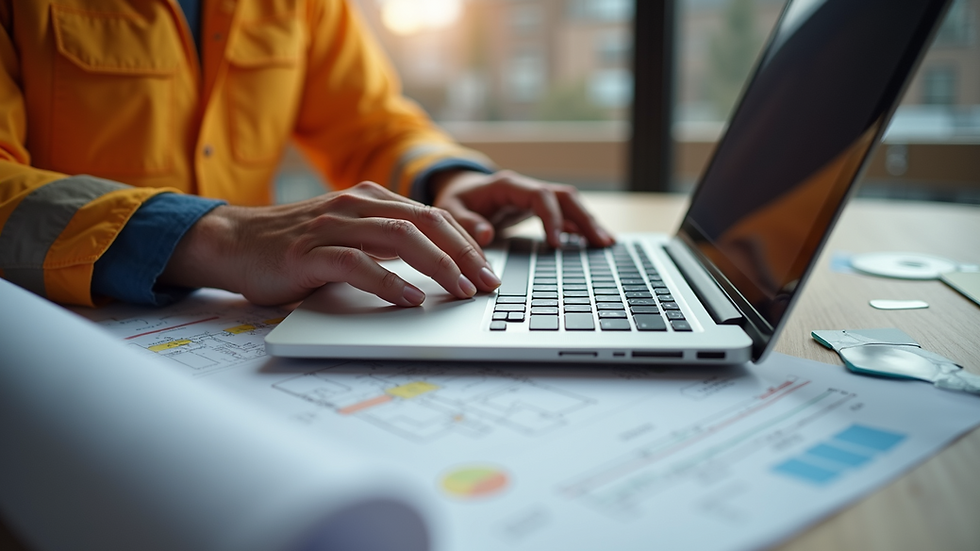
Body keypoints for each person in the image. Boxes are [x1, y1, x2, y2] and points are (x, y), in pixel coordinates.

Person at [0, 0, 613, 308]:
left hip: (234, 325)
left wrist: (444, 178)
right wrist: (219, 235)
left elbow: (368, 122)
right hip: (58, 329)